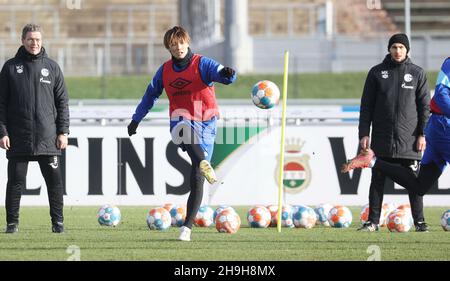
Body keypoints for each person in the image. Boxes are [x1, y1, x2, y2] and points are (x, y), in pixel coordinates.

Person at [127, 26, 236, 241]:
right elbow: (150, 95)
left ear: (188, 42)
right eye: (173, 44)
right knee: (185, 130)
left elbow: (222, 74)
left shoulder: (202, 63)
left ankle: (186, 228)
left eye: (181, 42)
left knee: (197, 178)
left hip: (207, 123)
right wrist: (136, 119)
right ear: (168, 46)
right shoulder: (164, 71)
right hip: (181, 120)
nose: (178, 47)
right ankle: (204, 162)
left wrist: (228, 74)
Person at [351, 33, 431, 232]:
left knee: (414, 184)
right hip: (382, 138)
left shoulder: (418, 73)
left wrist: (422, 134)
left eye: (401, 47)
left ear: (407, 50)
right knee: (377, 181)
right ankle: (372, 222)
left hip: (409, 140)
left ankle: (420, 223)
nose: (398, 51)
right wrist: (364, 133)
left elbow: (425, 107)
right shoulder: (376, 73)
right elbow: (366, 106)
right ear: (389, 49)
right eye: (394, 47)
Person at [342, 56, 450, 198]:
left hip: (439, 127)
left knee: (420, 185)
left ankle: (372, 161)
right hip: (444, 126)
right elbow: (441, 95)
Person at [0, 24, 70, 233]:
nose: (34, 43)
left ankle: (57, 224)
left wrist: (63, 132)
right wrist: (2, 132)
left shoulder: (52, 67)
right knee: (15, 183)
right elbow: (1, 103)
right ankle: (12, 224)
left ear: (42, 41)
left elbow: (62, 103)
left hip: (48, 137)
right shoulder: (10, 67)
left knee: (55, 184)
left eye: (38, 39)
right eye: (30, 39)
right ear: (23, 40)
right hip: (18, 137)